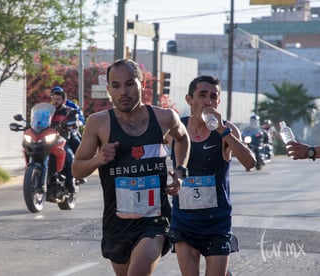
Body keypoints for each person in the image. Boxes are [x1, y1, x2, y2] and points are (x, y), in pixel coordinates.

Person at [71, 58, 191, 276]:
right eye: (116, 86)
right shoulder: (99, 123)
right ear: (109, 89)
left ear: (142, 85)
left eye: (129, 84)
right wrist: (98, 159)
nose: (123, 91)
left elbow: (183, 138)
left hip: (154, 220)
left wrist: (181, 171)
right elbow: (76, 169)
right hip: (117, 222)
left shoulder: (164, 117)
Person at [170, 75, 256, 276]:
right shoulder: (175, 129)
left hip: (217, 222)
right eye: (202, 95)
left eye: (213, 96)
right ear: (189, 99)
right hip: (184, 220)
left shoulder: (227, 130)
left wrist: (222, 130)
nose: (208, 101)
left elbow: (250, 163)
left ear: (218, 101)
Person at [50, 86, 77, 194]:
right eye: (54, 98)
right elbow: (38, 122)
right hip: (48, 140)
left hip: (62, 139)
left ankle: (70, 182)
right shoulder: (48, 111)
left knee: (69, 156)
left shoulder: (68, 111)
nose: (55, 101)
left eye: (58, 99)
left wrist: (71, 124)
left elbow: (74, 121)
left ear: (64, 100)